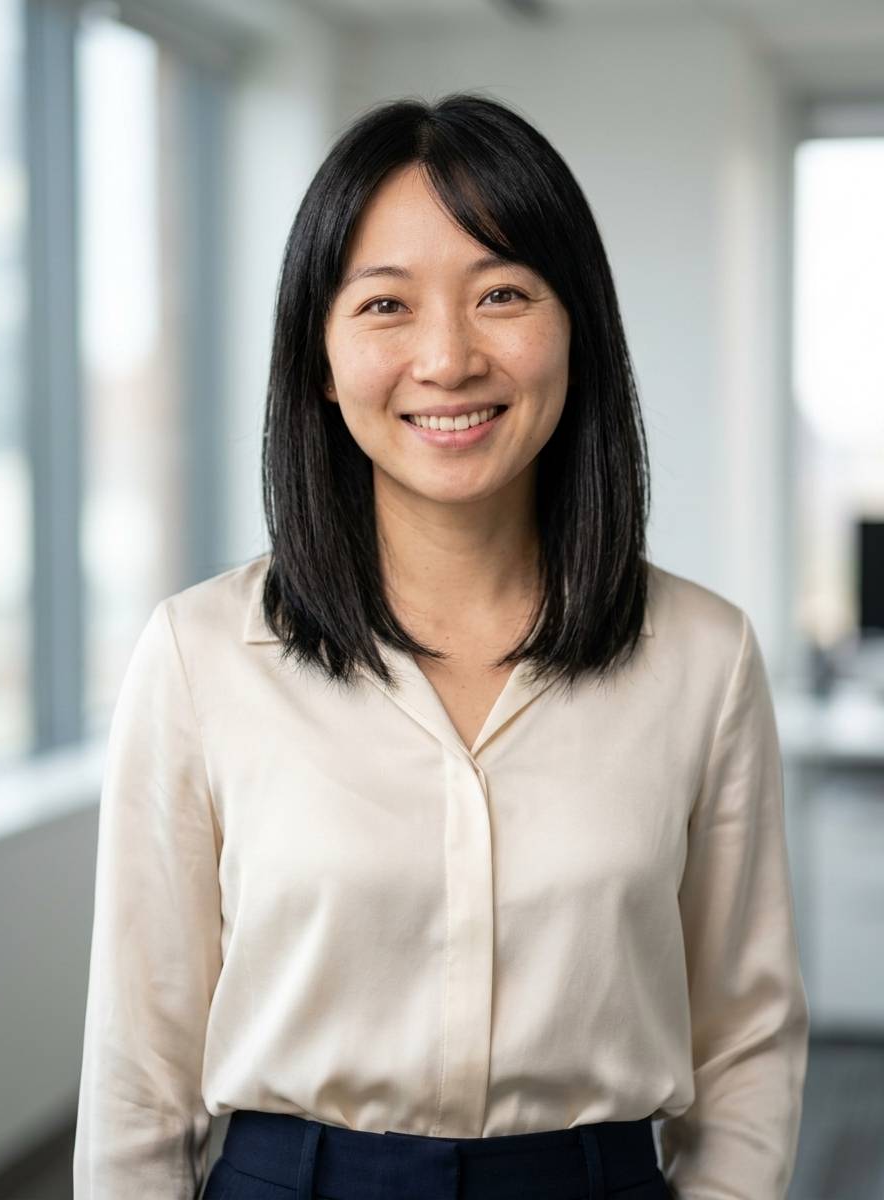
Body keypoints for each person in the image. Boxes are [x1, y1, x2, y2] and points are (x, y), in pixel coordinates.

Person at [72, 91, 810, 1200]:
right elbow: (139, 1072)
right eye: (383, 306)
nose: (446, 357)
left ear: (576, 329)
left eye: (501, 294)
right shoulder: (199, 656)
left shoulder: (699, 656)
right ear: (318, 359)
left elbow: (745, 1043)